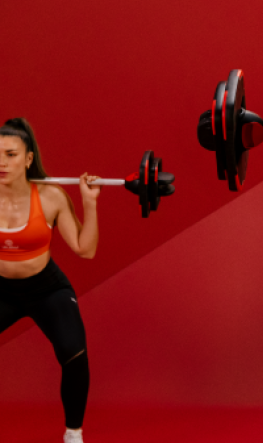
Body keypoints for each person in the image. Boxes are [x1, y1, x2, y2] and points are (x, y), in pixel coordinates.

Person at [0, 118, 100, 443]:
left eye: (11, 154)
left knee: (73, 351)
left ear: (28, 159)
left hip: (46, 288)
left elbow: (85, 250)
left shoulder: (51, 196)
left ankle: (73, 433)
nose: (2, 162)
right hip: (2, 290)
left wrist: (90, 201)